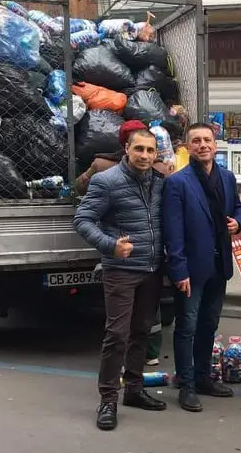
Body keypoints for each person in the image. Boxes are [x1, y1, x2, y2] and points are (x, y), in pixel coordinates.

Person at [73, 126, 167, 431]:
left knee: (142, 332)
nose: (145, 155)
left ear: (156, 153)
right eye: (139, 149)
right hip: (121, 271)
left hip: (152, 269)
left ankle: (135, 390)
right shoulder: (107, 181)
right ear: (126, 149)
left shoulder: (160, 182)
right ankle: (108, 400)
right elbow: (82, 219)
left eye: (150, 150)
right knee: (117, 335)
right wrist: (110, 245)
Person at [163, 122, 241, 413]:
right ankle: (186, 385)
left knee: (209, 325)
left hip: (219, 265)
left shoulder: (227, 177)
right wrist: (178, 270)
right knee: (187, 327)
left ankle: (202, 378)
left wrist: (238, 223)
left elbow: (238, 207)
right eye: (196, 141)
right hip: (191, 269)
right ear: (188, 147)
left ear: (215, 143)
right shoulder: (177, 182)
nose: (202, 145)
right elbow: (173, 231)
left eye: (207, 140)